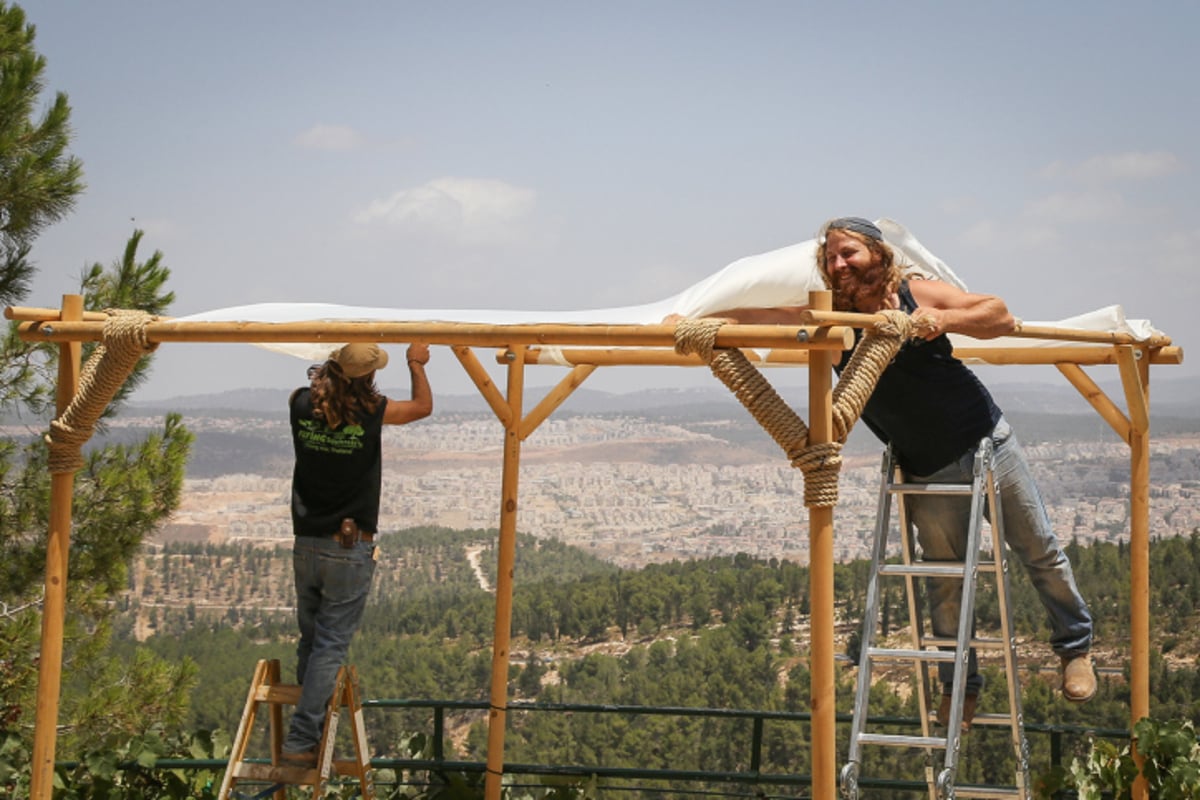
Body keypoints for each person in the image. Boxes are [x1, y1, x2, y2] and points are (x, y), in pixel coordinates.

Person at [669, 216, 1095, 731]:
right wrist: (695, 318)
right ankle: (959, 687)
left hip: (987, 440)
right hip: (925, 467)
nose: (838, 263)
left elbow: (999, 314)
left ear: (877, 252)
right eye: (830, 257)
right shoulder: (829, 317)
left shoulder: (913, 293)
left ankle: (1075, 649)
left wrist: (940, 322)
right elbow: (757, 314)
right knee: (944, 583)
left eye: (848, 252)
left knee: (1038, 549)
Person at [281, 341, 433, 763]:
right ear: (368, 376)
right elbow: (422, 407)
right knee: (330, 646)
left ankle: (305, 734)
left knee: (310, 642)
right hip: (348, 546)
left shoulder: (298, 404)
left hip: (305, 542)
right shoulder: (373, 411)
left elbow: (319, 397)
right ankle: (301, 740)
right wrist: (416, 364)